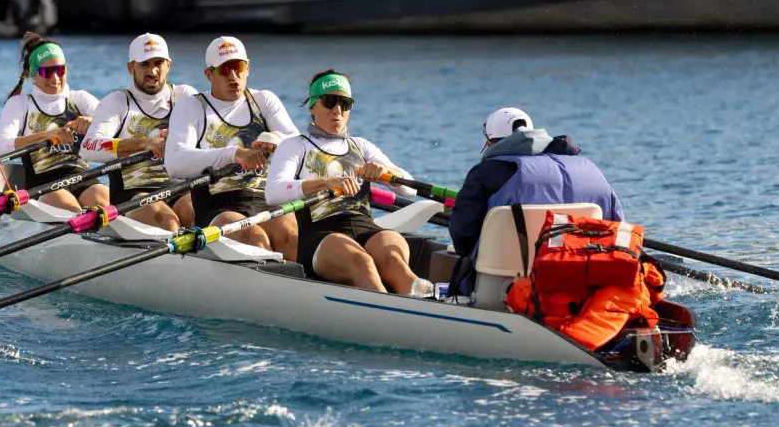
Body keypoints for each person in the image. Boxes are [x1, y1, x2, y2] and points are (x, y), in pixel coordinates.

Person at [267, 70, 433, 296]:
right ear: (312, 106)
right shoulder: (295, 146)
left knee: (394, 261)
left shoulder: (362, 146)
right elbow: (274, 193)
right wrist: (326, 182)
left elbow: (410, 188)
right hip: (321, 234)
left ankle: (424, 306)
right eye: (329, 101)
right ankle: (389, 318)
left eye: (345, 103)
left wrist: (386, 172)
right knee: (361, 262)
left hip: (365, 227)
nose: (337, 109)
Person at [447, 107, 625, 291]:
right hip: (583, 284)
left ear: (490, 142)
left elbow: (462, 238)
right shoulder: (590, 169)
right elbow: (618, 227)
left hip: (506, 287)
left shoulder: (486, 172)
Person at [163, 36, 300, 260]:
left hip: (266, 199)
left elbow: (298, 145)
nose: (233, 76)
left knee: (293, 238)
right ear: (209, 74)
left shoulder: (264, 101)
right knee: (255, 238)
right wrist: (233, 153)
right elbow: (175, 163)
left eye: (238, 67)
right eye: (225, 69)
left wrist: (277, 139)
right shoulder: (193, 107)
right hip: (219, 206)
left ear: (248, 69)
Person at [80, 33, 197, 232]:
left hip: (179, 188)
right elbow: (88, 148)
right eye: (144, 64)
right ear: (130, 67)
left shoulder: (185, 96)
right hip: (133, 192)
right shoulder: (117, 102)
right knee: (168, 222)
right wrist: (145, 144)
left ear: (168, 64)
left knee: (197, 215)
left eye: (158, 63)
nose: (152, 71)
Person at [0, 32, 109, 212]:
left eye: (59, 70)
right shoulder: (21, 104)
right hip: (44, 183)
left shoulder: (80, 99)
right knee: (72, 210)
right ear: (33, 74)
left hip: (83, 177)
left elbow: (117, 127)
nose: (55, 78)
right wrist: (47, 135)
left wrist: (93, 122)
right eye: (47, 72)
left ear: (66, 70)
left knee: (105, 203)